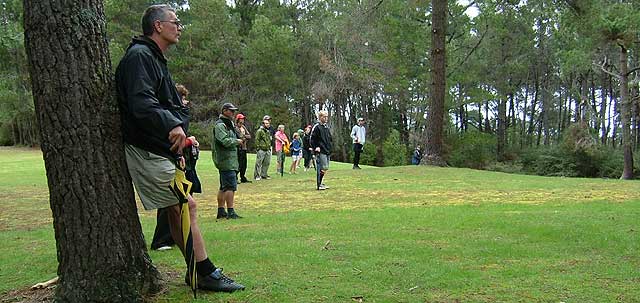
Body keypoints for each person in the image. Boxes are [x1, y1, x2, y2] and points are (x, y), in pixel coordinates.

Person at [116, 5, 244, 292]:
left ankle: (196, 271)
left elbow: (172, 106)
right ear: (158, 26)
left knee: (179, 208)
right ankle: (204, 271)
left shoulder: (153, 58)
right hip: (146, 149)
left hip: (162, 149)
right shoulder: (140, 57)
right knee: (186, 206)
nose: (180, 26)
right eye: (176, 21)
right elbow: (141, 103)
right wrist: (172, 125)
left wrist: (178, 140)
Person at [150, 84, 201, 251]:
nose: (185, 102)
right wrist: (188, 141)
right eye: (182, 98)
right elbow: (168, 142)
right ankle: (161, 240)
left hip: (177, 163)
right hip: (165, 164)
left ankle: (173, 238)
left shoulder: (177, 116)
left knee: (181, 204)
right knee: (173, 203)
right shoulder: (166, 116)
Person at [213, 103, 244, 219]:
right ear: (224, 111)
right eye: (231, 111)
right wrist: (237, 141)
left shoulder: (229, 124)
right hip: (225, 160)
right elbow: (224, 141)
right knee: (230, 186)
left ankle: (221, 211)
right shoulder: (220, 125)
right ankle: (230, 211)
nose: (233, 113)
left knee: (223, 186)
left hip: (231, 159)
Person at [310, 110, 332, 190]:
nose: (326, 118)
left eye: (327, 116)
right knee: (322, 167)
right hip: (320, 150)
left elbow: (329, 138)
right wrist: (316, 147)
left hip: (327, 150)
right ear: (320, 117)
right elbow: (312, 139)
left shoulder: (326, 127)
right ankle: (319, 184)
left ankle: (321, 183)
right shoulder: (317, 127)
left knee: (325, 167)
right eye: (324, 116)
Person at [235, 113, 252, 183]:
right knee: (238, 164)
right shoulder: (235, 127)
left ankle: (243, 177)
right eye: (241, 119)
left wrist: (244, 136)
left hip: (244, 148)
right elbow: (239, 136)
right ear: (238, 119)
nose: (242, 120)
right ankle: (235, 178)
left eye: (243, 119)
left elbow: (249, 136)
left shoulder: (243, 127)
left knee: (244, 164)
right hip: (238, 148)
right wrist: (244, 137)